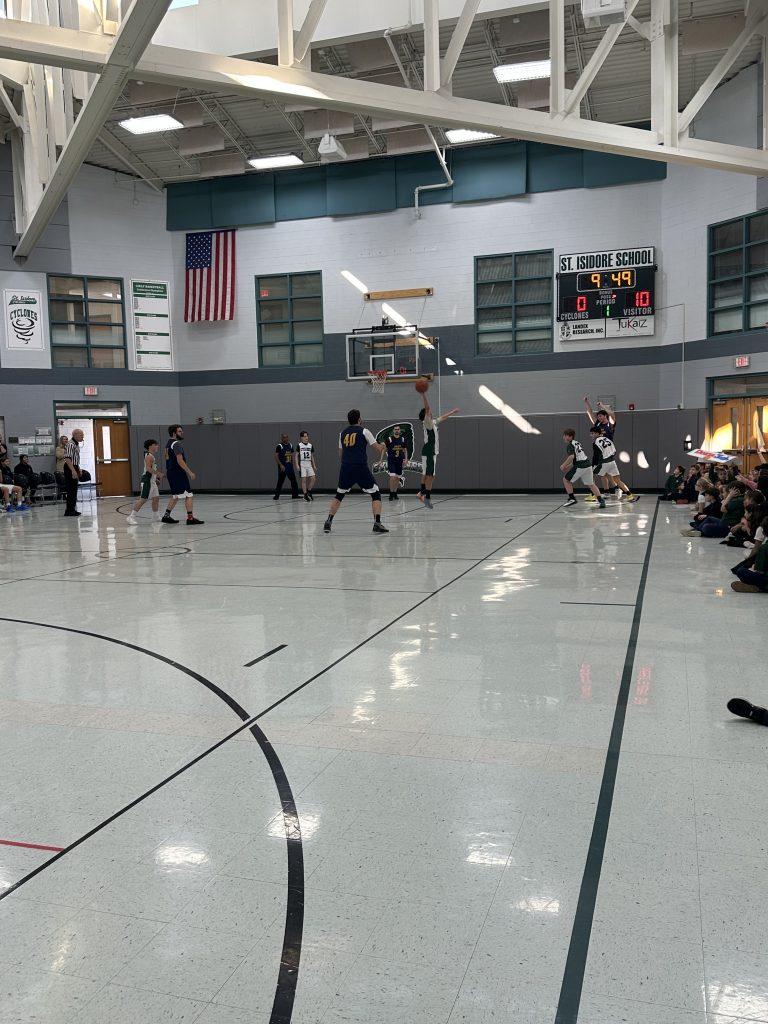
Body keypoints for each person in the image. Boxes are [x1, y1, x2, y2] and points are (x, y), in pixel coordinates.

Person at [324, 409, 388, 534]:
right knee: (375, 494)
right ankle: (377, 523)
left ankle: (328, 522)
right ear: (359, 419)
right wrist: (383, 446)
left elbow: (341, 454)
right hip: (360, 467)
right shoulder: (364, 431)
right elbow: (378, 449)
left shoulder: (342, 433)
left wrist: (347, 463)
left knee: (339, 495)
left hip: (346, 467)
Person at [418, 391, 459, 509]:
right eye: (429, 412)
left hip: (432, 452)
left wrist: (453, 412)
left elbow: (443, 417)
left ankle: (423, 494)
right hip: (429, 452)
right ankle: (424, 496)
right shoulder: (427, 422)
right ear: (426, 414)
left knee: (429, 475)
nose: (431, 412)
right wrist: (424, 394)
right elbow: (427, 407)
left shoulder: (433, 422)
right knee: (429, 475)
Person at [161, 424, 204, 525]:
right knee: (189, 495)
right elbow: (180, 460)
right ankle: (190, 519)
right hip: (177, 472)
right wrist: (189, 472)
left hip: (171, 472)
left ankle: (166, 516)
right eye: (180, 431)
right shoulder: (176, 444)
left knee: (175, 495)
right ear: (174, 433)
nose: (182, 433)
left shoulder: (167, 444)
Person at [588, 425, 638, 502]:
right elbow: (614, 451)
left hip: (603, 462)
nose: (591, 435)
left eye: (592, 433)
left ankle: (593, 495)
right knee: (617, 480)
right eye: (591, 433)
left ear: (597, 433)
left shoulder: (595, 442)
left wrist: (593, 465)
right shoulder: (607, 439)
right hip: (612, 461)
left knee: (592, 477)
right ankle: (629, 495)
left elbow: (596, 456)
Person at [681, 480, 746, 538]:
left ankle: (699, 531)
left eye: (730, 491)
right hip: (723, 522)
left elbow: (722, 509)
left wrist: (729, 496)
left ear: (736, 491)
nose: (729, 493)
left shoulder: (738, 500)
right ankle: (697, 530)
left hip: (728, 525)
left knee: (706, 527)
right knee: (709, 518)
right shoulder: (736, 499)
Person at [560, 429, 606, 509]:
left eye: (565, 435)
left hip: (580, 466)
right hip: (587, 464)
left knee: (566, 480)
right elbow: (578, 457)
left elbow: (571, 457)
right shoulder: (576, 443)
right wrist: (569, 465)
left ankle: (572, 498)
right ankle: (601, 500)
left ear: (570, 436)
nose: (563, 437)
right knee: (591, 484)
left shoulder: (570, 445)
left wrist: (563, 465)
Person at [127, 439, 162, 525]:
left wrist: (155, 479)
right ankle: (131, 517)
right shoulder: (149, 456)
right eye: (155, 445)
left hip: (152, 481)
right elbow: (148, 469)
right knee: (143, 499)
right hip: (147, 481)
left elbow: (150, 469)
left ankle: (155, 515)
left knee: (156, 498)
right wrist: (159, 474)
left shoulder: (151, 456)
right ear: (150, 446)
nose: (157, 446)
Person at [62, 429, 84, 517]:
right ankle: (69, 510)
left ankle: (72, 509)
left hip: (74, 466)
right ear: (75, 435)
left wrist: (78, 469)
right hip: (70, 467)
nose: (83, 437)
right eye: (81, 435)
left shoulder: (76, 444)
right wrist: (73, 470)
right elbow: (67, 458)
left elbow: (75, 459)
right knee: (71, 489)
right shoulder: (70, 444)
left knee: (74, 489)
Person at [385, 424, 408, 501]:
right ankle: (391, 493)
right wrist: (381, 460)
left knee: (398, 477)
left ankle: (395, 492)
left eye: (398, 429)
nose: (397, 430)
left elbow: (405, 450)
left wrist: (406, 459)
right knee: (392, 476)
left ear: (400, 430)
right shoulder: (389, 439)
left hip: (399, 461)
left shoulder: (402, 439)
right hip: (391, 460)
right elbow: (384, 449)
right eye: (395, 429)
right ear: (393, 430)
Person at [274, 433, 299, 500]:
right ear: (282, 438)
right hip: (283, 467)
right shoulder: (279, 446)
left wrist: (293, 464)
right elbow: (276, 456)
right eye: (284, 437)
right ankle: (276, 496)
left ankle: (295, 495)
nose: (285, 438)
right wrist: (280, 465)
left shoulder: (290, 445)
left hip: (289, 466)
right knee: (280, 481)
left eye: (286, 437)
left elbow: (292, 455)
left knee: (294, 481)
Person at [296, 430, 317, 502]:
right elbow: (296, 456)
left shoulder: (310, 445)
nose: (306, 437)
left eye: (307, 436)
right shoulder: (299, 445)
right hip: (302, 464)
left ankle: (309, 491)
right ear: (301, 437)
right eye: (305, 436)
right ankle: (305, 495)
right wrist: (297, 465)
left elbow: (312, 456)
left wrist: (314, 465)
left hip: (309, 463)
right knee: (304, 480)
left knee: (313, 478)